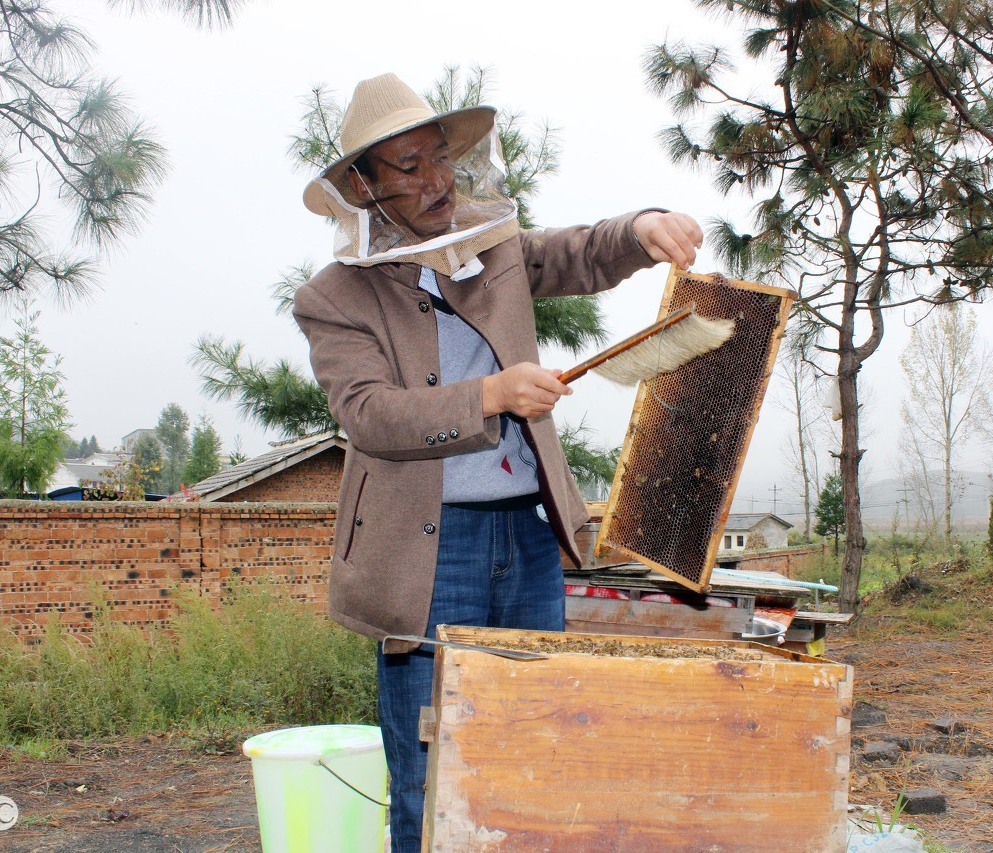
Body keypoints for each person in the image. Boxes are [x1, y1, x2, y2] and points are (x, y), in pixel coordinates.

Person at [292, 72, 702, 852]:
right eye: (407, 167)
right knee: (432, 764)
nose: (436, 179)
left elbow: (579, 252)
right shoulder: (334, 297)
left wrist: (644, 226)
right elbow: (369, 414)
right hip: (428, 553)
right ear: (363, 187)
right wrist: (491, 394)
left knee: (532, 747)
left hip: (527, 535)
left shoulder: (493, 247)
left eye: (438, 157)